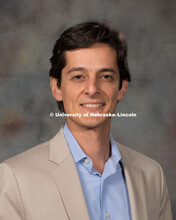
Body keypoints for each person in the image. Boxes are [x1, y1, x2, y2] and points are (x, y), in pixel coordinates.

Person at [0, 21, 173, 220]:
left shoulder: (152, 175)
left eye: (106, 76)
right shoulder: (16, 178)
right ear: (57, 87)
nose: (92, 89)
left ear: (122, 88)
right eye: (78, 77)